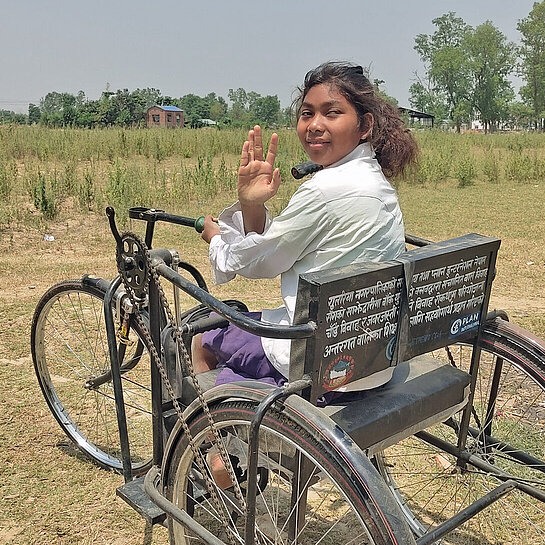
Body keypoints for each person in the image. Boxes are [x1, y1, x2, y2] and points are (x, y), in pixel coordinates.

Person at [192, 61, 419, 394]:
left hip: (321, 359)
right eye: (307, 113)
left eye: (332, 113)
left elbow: (259, 261)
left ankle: (211, 441)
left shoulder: (326, 189)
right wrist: (252, 204)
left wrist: (216, 240)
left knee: (202, 341)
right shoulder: (374, 180)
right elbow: (273, 247)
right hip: (373, 356)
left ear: (365, 125)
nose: (315, 125)